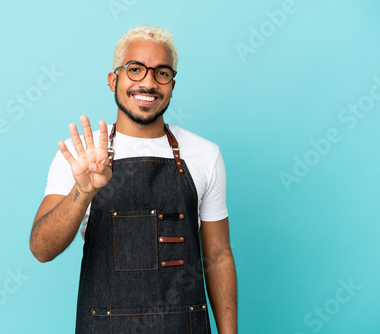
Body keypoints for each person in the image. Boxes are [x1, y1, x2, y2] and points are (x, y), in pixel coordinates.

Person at [30, 25, 237, 333]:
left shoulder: (204, 154)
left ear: (172, 84)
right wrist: (83, 191)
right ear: (114, 79)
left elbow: (218, 256)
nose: (148, 83)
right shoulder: (79, 156)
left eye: (161, 73)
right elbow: (41, 249)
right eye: (135, 69)